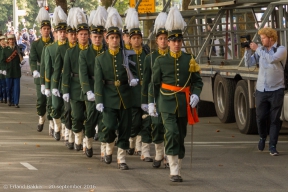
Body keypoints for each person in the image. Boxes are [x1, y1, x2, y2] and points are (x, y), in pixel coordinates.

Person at [149, 6, 203, 182]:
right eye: (173, 41)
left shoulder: (189, 59)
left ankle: (177, 166)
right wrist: (151, 102)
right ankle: (173, 170)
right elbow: (154, 83)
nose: (176, 44)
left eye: (179, 41)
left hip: (183, 103)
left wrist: (196, 94)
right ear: (169, 42)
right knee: (171, 132)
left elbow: (197, 81)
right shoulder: (160, 61)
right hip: (166, 102)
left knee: (180, 135)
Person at [94, 7, 138, 170]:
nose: (114, 40)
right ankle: (108, 149)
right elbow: (98, 81)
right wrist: (99, 99)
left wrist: (135, 80)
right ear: (107, 39)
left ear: (120, 39)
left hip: (126, 96)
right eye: (111, 38)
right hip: (108, 96)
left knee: (125, 128)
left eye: (116, 38)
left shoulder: (127, 54)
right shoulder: (101, 58)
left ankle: (121, 158)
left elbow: (134, 71)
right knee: (110, 126)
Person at [244, 27, 287, 156]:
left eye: (263, 38)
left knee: (274, 119)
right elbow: (249, 64)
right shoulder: (261, 50)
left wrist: (257, 48)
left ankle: (272, 146)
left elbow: (272, 59)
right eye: (261, 38)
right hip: (261, 89)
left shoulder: (281, 49)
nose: (261, 41)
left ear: (271, 38)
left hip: (276, 89)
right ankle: (262, 137)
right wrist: (247, 51)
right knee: (260, 117)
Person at [79, 6, 107, 158]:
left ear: (103, 37)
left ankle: (104, 148)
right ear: (90, 37)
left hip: (105, 90)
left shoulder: (107, 52)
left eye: (100, 36)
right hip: (91, 90)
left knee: (104, 120)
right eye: (94, 36)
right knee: (91, 118)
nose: (97, 39)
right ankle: (88, 142)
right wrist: (88, 90)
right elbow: (83, 74)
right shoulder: (85, 53)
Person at [124, 7, 152, 161]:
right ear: (130, 39)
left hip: (146, 92)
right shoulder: (126, 55)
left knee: (147, 123)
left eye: (138, 38)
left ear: (141, 39)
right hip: (133, 95)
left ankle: (144, 150)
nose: (136, 40)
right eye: (133, 38)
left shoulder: (147, 54)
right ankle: (132, 141)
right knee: (134, 123)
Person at [142, 12, 169, 168]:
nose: (164, 41)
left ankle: (167, 154)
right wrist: (146, 101)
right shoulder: (150, 58)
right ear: (156, 41)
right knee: (157, 125)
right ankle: (159, 153)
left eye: (166, 38)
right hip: (156, 95)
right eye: (161, 39)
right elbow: (147, 81)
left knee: (170, 127)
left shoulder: (175, 56)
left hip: (171, 95)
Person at [62, 7, 89, 151]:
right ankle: (78, 136)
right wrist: (65, 90)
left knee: (90, 116)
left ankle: (85, 140)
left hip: (90, 88)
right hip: (75, 87)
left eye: (86, 34)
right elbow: (66, 73)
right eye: (81, 34)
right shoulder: (70, 52)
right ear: (76, 36)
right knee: (77, 116)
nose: (83, 37)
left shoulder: (92, 52)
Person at [53, 7, 77, 149]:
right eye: (71, 34)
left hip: (80, 84)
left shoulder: (82, 49)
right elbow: (57, 69)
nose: (73, 36)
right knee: (68, 110)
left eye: (75, 34)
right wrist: (55, 85)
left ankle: (80, 138)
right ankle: (69, 135)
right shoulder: (62, 49)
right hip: (66, 83)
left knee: (80, 113)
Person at [44, 6, 68, 141]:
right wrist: (47, 86)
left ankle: (63, 130)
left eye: (64, 32)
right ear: (55, 33)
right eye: (60, 32)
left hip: (67, 79)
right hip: (55, 79)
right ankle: (57, 127)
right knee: (55, 106)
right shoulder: (50, 48)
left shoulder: (70, 48)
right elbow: (48, 68)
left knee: (66, 107)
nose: (62, 34)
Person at [29, 7, 53, 132]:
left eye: (48, 29)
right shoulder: (36, 44)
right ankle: (41, 118)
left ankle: (51, 124)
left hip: (51, 74)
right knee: (41, 100)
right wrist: (34, 70)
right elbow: (32, 59)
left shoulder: (54, 42)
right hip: (40, 74)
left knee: (51, 101)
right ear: (41, 30)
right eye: (44, 29)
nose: (46, 31)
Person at [0, 34, 22, 108]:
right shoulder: (5, 50)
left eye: (12, 39)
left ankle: (16, 102)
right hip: (8, 71)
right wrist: (4, 69)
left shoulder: (18, 49)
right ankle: (10, 100)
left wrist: (21, 60)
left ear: (14, 40)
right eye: (10, 40)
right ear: (8, 41)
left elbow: (21, 59)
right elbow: (2, 61)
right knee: (9, 87)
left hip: (16, 71)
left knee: (16, 88)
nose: (11, 41)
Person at [0, 35, 7, 103]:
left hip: (6, 69)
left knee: (5, 84)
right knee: (1, 84)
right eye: (1, 40)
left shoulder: (7, 49)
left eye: (4, 40)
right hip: (0, 69)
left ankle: (5, 98)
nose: (3, 42)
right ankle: (1, 97)